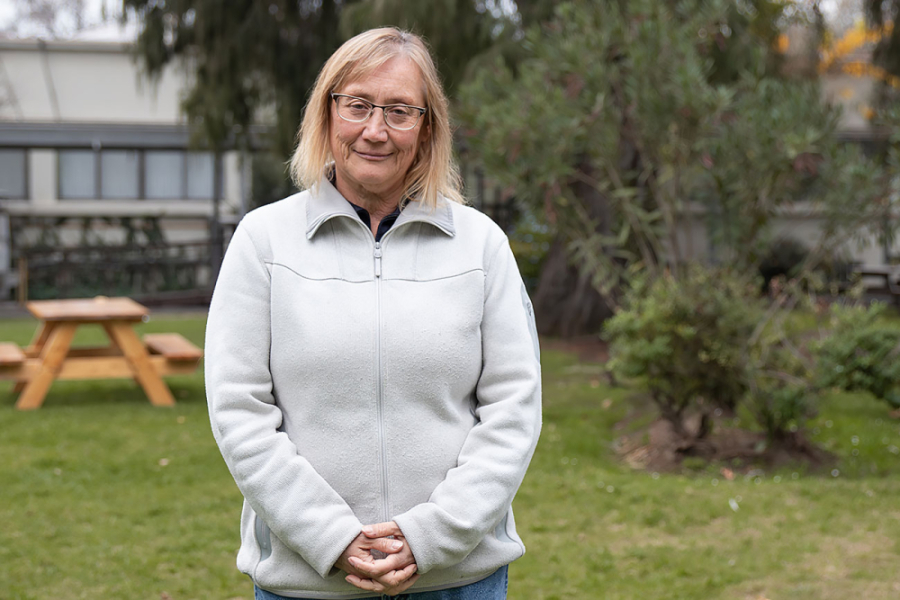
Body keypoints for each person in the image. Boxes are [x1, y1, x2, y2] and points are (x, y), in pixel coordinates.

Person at [205, 27, 542, 599]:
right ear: (327, 114)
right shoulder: (264, 241)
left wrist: (431, 536)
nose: (375, 130)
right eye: (357, 105)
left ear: (427, 128)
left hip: (457, 581)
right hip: (308, 583)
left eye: (399, 111)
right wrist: (331, 537)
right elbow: (239, 410)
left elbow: (513, 409)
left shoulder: (481, 245)